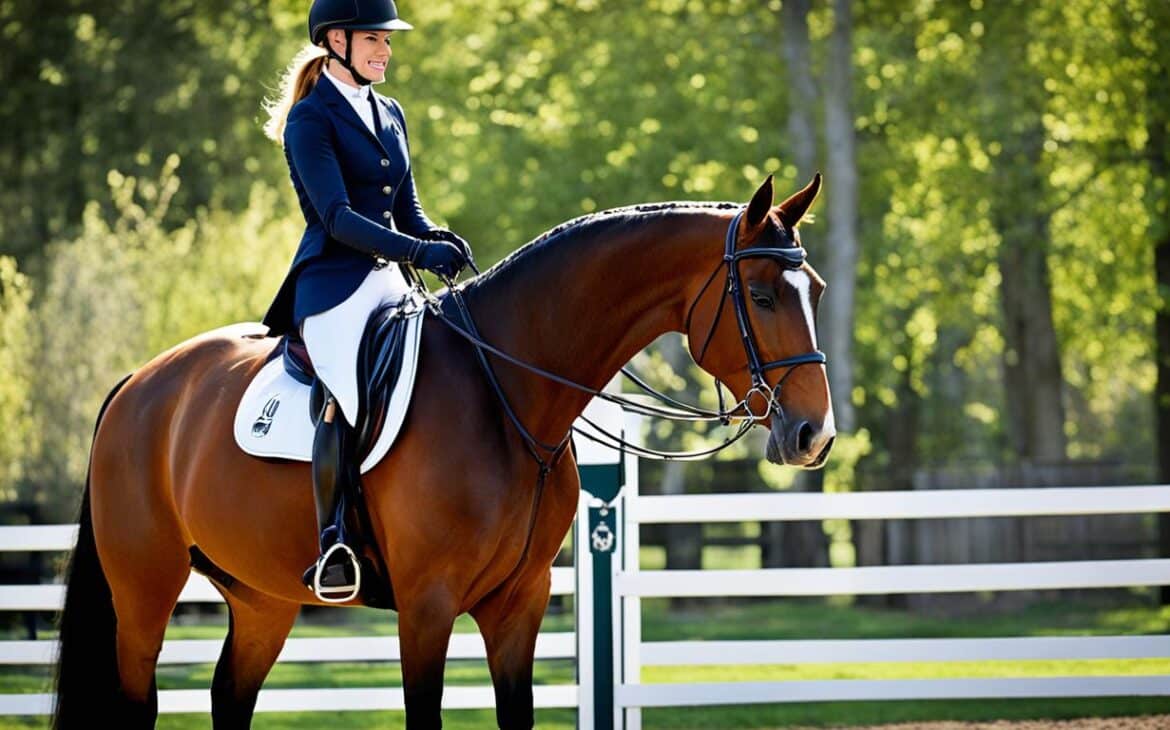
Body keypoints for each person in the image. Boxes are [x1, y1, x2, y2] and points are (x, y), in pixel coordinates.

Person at [261, 0, 471, 599]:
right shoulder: (310, 119)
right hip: (332, 285)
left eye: (387, 39)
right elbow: (337, 217)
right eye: (374, 39)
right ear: (336, 41)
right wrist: (414, 251)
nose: (385, 49)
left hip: (389, 278)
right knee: (344, 392)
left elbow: (408, 208)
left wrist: (435, 238)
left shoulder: (389, 111)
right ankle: (333, 542)